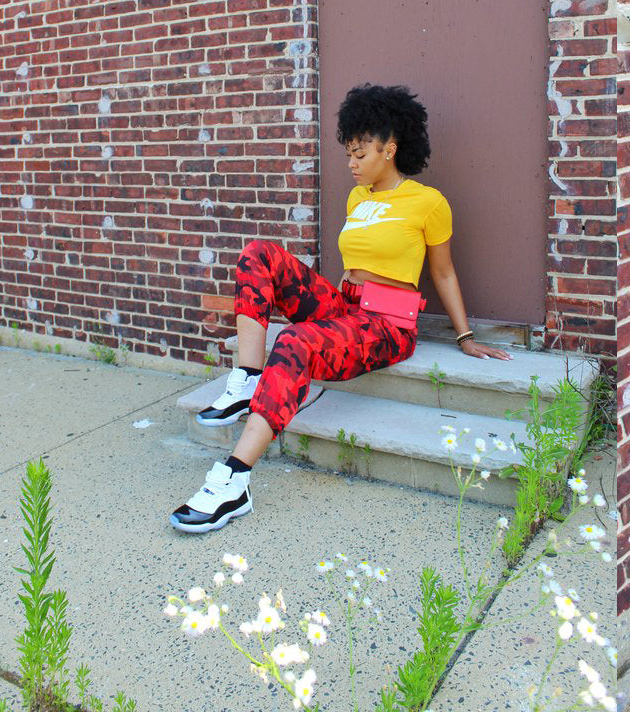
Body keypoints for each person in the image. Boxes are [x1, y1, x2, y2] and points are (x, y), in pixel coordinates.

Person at [170, 84, 512, 533]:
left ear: (389, 149)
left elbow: (444, 273)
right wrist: (326, 314)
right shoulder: (358, 198)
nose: (350, 164)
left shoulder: (428, 202)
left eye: (360, 154)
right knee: (258, 253)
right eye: (348, 153)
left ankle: (233, 479)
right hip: (346, 306)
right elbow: (353, 267)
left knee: (292, 341)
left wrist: (465, 337)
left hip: (388, 322)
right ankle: (246, 380)